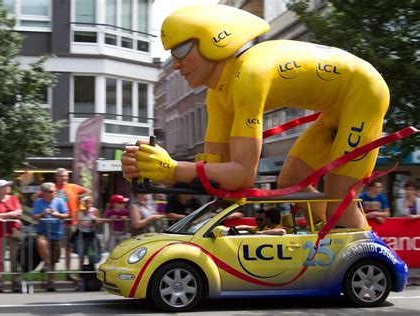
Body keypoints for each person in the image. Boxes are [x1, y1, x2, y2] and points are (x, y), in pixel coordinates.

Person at [121, 4, 390, 229]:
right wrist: (163, 175)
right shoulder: (218, 94)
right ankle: (329, 236)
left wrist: (173, 168)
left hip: (364, 93)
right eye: (172, 55)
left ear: (215, 41)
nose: (176, 64)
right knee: (291, 183)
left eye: (181, 51)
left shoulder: (248, 76)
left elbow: (243, 174)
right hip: (336, 105)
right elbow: (218, 172)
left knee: (338, 195)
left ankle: (365, 252)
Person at [53, 168, 91, 282]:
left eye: (65, 176)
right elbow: (35, 196)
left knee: (69, 249)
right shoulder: (52, 188)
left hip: (71, 223)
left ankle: (68, 273)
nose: (64, 178)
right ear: (56, 177)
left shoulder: (73, 187)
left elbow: (88, 191)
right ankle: (52, 275)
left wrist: (81, 199)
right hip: (55, 223)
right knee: (56, 249)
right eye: (61, 176)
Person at [32, 182, 69, 291]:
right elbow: (34, 216)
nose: (54, 193)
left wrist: (55, 214)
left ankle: (50, 283)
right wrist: (42, 214)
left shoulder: (60, 201)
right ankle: (47, 265)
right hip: (43, 232)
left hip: (56, 233)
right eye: (52, 191)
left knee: (53, 260)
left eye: (55, 191)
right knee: (41, 243)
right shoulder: (38, 202)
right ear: (44, 193)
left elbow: (66, 214)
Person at [0, 179, 23, 293]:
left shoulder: (14, 199)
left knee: (14, 258)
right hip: (0, 232)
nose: (8, 187)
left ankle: (16, 282)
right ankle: (0, 283)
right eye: (5, 186)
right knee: (0, 259)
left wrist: (2, 216)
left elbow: (18, 212)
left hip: (13, 231)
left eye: (8, 185)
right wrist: (9, 214)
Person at [72, 196, 101, 271]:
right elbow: (81, 222)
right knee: (81, 254)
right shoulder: (79, 211)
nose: (87, 203)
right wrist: (83, 209)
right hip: (81, 235)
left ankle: (92, 271)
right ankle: (81, 272)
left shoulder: (94, 211)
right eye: (85, 201)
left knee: (91, 254)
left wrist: (94, 221)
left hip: (91, 235)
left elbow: (99, 221)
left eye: (88, 201)